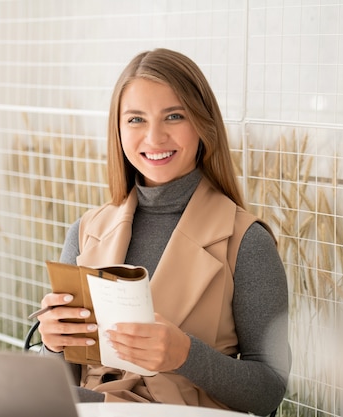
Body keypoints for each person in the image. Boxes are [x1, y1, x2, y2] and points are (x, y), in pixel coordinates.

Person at [36, 48, 290, 416]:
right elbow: (59, 384)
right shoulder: (86, 231)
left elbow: (269, 392)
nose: (154, 137)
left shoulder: (246, 242)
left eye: (174, 116)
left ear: (203, 124)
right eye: (136, 119)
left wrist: (185, 354)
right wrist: (53, 344)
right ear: (118, 130)